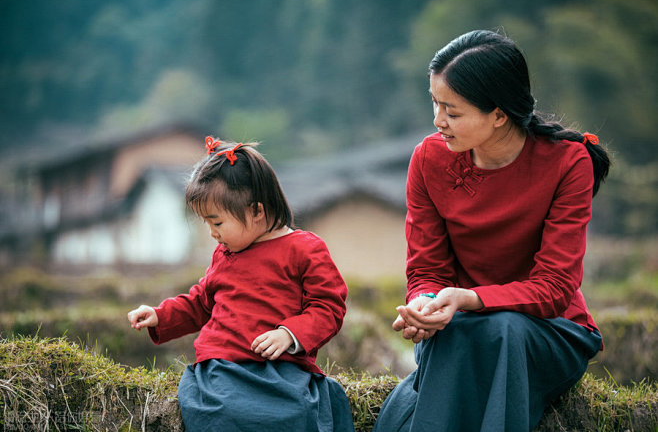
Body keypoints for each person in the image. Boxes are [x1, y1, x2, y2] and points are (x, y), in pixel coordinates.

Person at [372, 30, 610, 432]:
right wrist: (426, 306)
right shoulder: (428, 159)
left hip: (547, 331)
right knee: (465, 335)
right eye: (435, 103)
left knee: (502, 330)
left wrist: (469, 298)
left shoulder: (568, 164)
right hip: (460, 327)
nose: (437, 121)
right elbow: (426, 269)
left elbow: (554, 288)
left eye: (453, 111)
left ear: (499, 114)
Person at [127, 137, 355, 432]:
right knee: (221, 414)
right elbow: (201, 302)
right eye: (206, 224)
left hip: (281, 372)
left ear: (257, 211)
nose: (212, 233)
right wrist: (161, 315)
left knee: (296, 416)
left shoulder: (305, 249)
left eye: (218, 223)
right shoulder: (225, 254)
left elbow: (328, 307)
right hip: (222, 371)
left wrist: (289, 334)